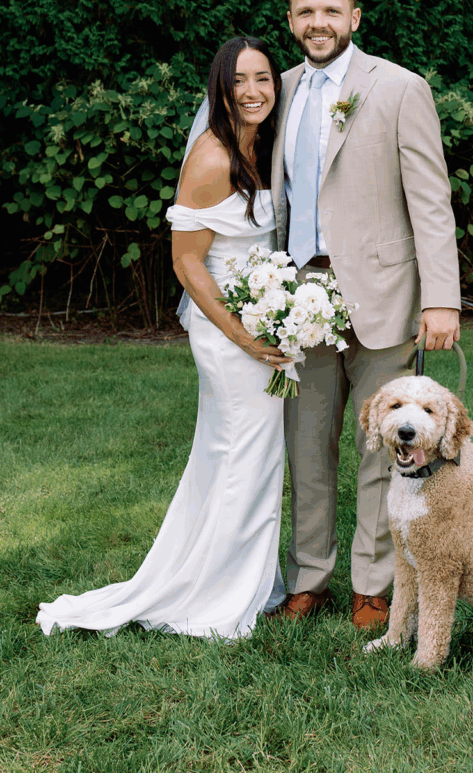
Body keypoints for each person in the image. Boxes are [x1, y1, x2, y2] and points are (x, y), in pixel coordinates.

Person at [37, 36, 289, 639]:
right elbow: (187, 265)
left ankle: (243, 578)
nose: (253, 92)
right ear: (220, 90)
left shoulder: (262, 147)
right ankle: (213, 596)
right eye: (239, 82)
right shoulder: (211, 158)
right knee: (240, 455)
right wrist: (246, 338)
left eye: (263, 78)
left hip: (262, 320)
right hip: (229, 330)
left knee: (246, 457)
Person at [270, 0, 461, 628]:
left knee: (383, 446)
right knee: (307, 445)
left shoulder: (399, 87)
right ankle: (309, 579)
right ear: (291, 21)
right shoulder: (281, 89)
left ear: (354, 18)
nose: (316, 22)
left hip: (384, 294)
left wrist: (441, 298)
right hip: (300, 298)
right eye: (304, 12)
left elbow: (430, 200)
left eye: (329, 11)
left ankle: (372, 584)